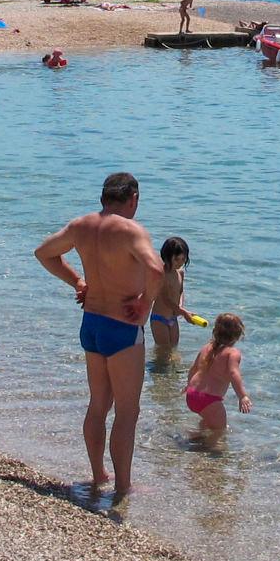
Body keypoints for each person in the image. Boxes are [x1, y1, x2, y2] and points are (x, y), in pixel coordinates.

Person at [34, 171, 165, 503]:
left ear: (104, 198)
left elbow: (44, 253)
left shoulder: (81, 225)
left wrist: (78, 281)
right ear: (133, 199)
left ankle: (97, 475)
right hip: (121, 328)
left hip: (91, 322)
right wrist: (145, 303)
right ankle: (122, 486)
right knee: (127, 411)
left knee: (98, 404)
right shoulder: (131, 230)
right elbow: (156, 269)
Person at [183, 313, 251, 434]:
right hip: (209, 400)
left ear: (215, 331)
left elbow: (194, 368)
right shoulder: (232, 353)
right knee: (219, 432)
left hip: (192, 395)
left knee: (207, 420)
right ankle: (212, 449)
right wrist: (242, 396)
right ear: (238, 335)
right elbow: (233, 373)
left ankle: (195, 439)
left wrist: (188, 385)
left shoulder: (207, 347)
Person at [148, 235, 198, 350]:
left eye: (183, 259)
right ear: (166, 257)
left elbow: (180, 291)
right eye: (176, 259)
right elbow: (165, 299)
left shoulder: (180, 273)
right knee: (163, 350)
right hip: (159, 318)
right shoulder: (161, 275)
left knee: (174, 348)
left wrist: (180, 306)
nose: (180, 263)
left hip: (173, 318)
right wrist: (183, 312)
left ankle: (172, 368)